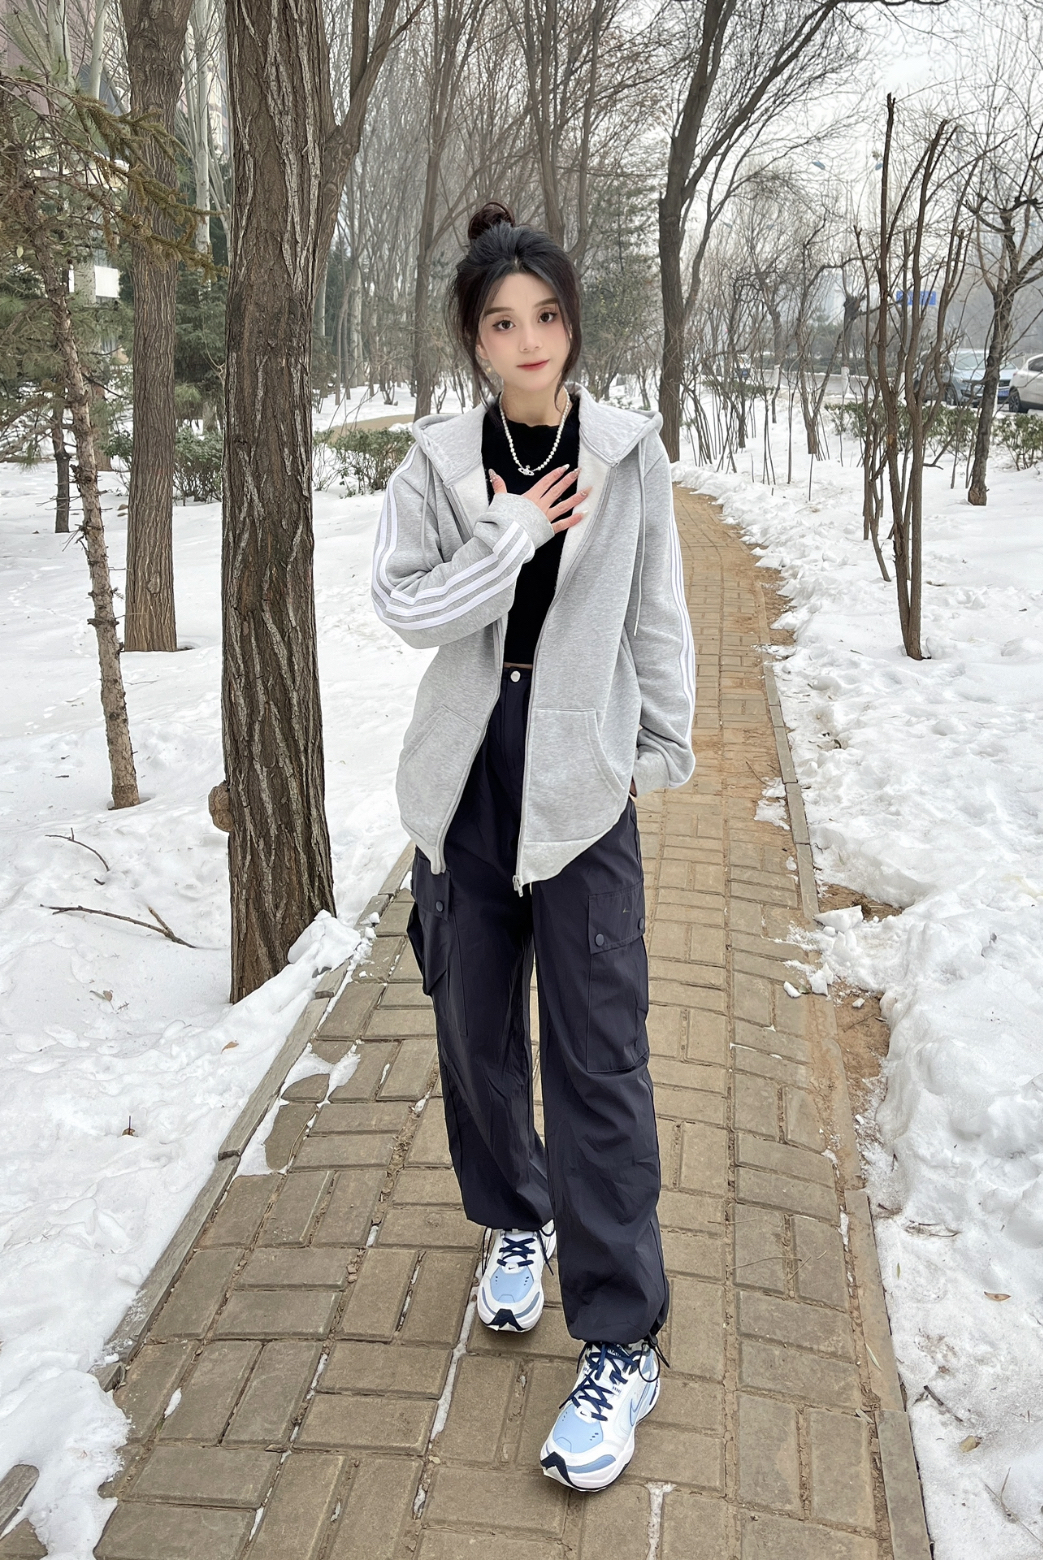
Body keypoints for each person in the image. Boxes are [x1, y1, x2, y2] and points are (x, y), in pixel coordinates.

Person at [371, 200, 695, 1491]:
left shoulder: (625, 455)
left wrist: (655, 747)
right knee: (473, 1026)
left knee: (598, 1052)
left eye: (546, 316)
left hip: (580, 780)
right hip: (465, 775)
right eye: (502, 323)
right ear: (474, 338)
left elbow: (654, 608)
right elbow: (406, 608)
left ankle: (621, 1339)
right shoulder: (438, 464)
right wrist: (510, 536)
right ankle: (517, 1217)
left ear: (571, 323)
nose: (528, 342)